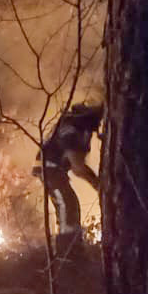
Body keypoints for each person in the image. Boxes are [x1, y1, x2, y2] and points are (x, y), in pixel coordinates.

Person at [33, 102, 103, 254]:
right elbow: (78, 167)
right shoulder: (72, 130)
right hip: (49, 168)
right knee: (67, 205)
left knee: (69, 203)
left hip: (54, 168)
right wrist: (99, 186)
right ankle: (67, 252)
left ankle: (72, 248)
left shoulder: (76, 126)